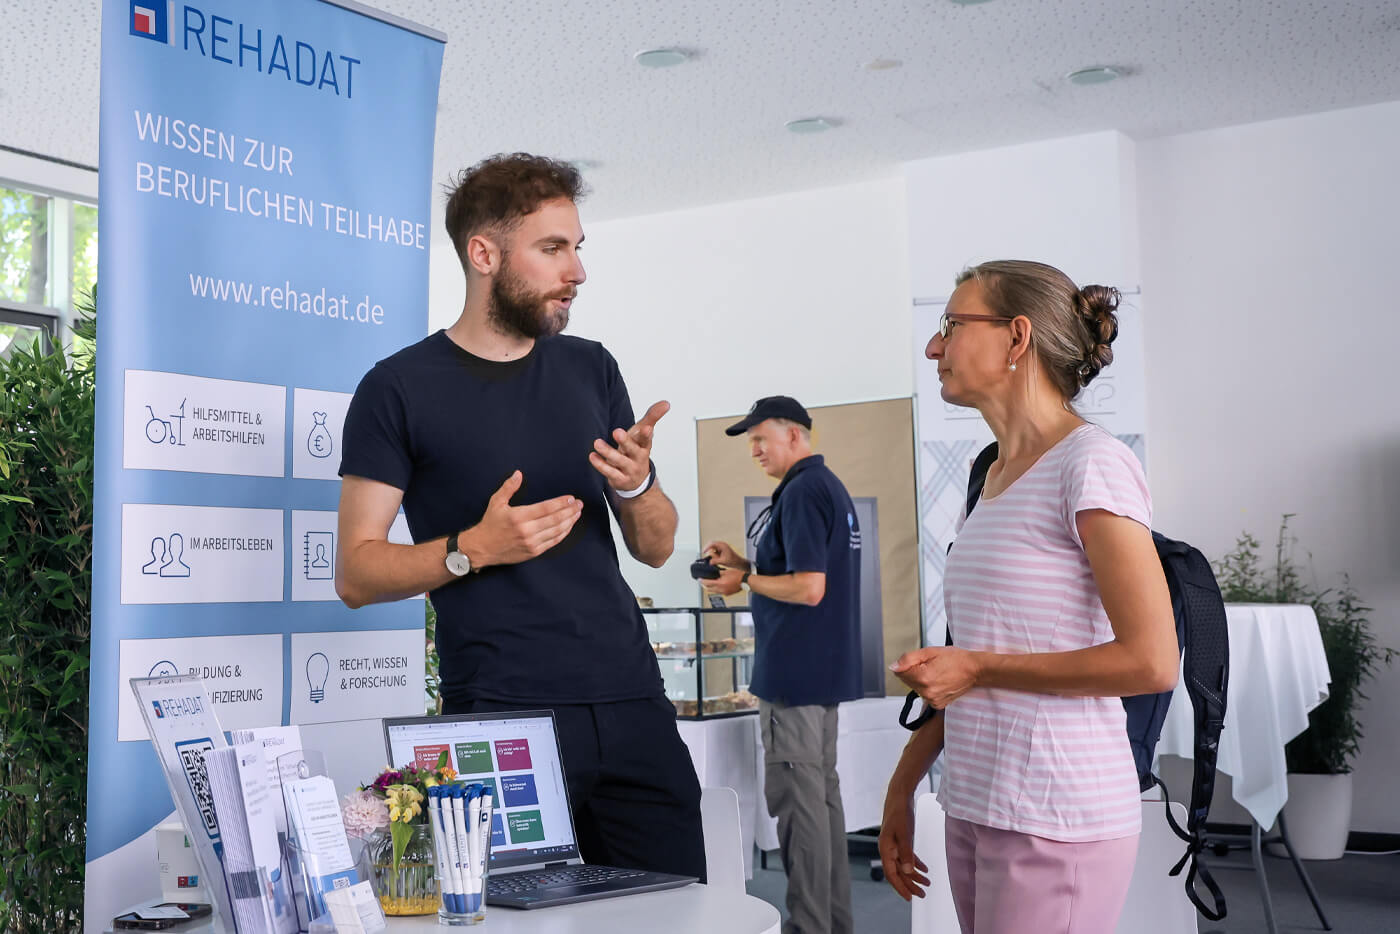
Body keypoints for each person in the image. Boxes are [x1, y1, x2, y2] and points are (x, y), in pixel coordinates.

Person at [334, 152, 705, 881]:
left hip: (633, 701)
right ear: (484, 253)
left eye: (577, 248)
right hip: (501, 713)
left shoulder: (591, 368)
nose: (577, 270)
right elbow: (355, 570)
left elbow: (657, 548)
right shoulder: (396, 389)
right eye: (553, 249)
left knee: (679, 912)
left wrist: (638, 486)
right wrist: (471, 548)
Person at [878, 260, 1178, 933]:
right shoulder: (993, 478)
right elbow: (973, 666)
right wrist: (903, 785)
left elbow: (1152, 661)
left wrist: (979, 668)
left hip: (1056, 814)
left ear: (1017, 339)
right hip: (978, 802)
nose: (934, 347)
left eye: (951, 325)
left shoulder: (1091, 464)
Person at [702, 395, 861, 934]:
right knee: (822, 803)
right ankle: (832, 923)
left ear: (795, 435)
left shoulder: (800, 493)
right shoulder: (827, 489)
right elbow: (800, 572)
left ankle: (809, 926)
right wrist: (745, 564)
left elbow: (809, 587)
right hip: (824, 674)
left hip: (793, 678)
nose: (754, 450)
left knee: (801, 809)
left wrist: (743, 580)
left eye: (760, 438)